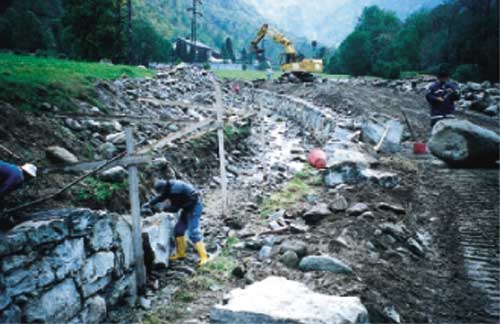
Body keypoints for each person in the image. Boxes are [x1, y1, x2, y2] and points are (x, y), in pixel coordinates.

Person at [143, 179, 208, 266]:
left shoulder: (175, 189)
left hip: (194, 207)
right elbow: (162, 197)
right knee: (178, 230)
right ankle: (181, 254)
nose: (162, 193)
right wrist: (150, 203)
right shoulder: (168, 187)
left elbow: (175, 208)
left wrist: (161, 209)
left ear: (164, 187)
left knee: (193, 232)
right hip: (186, 208)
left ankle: (204, 257)